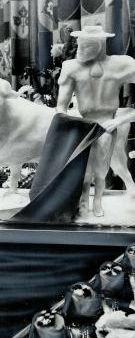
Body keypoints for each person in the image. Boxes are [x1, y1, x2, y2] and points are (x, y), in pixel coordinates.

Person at [57, 25, 135, 217]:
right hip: (82, 123)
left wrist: (122, 120)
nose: (80, 48)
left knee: (100, 169)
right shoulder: (71, 67)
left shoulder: (122, 65)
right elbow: (61, 106)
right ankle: (84, 200)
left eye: (86, 44)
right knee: (83, 169)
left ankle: (97, 201)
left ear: (100, 44)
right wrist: (67, 122)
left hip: (107, 123)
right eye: (79, 43)